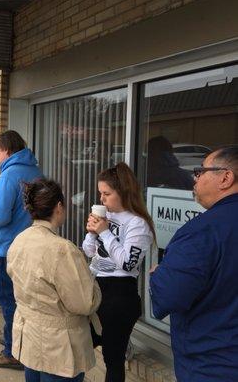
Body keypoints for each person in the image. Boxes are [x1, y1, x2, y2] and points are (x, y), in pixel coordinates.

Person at [150, 146, 238, 382]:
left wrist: (159, 274)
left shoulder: (203, 231)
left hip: (212, 365)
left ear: (226, 177)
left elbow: (170, 295)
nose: (194, 179)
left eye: (200, 172)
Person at [8, 179, 102, 382]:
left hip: (30, 339)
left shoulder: (19, 240)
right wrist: (93, 281)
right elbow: (85, 303)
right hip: (60, 349)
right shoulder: (63, 249)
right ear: (59, 206)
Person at [82, 162, 155, 382]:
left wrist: (104, 232)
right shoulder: (107, 216)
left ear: (123, 192)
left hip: (119, 292)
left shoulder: (138, 224)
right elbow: (88, 251)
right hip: (94, 286)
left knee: (112, 358)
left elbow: (128, 264)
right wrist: (92, 233)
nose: (102, 199)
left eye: (107, 193)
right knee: (77, 345)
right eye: (100, 193)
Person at [0, 130, 42, 369]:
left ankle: (12, 352)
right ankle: (14, 336)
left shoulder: (8, 176)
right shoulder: (36, 172)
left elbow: (1, 215)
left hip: (6, 250)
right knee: (23, 300)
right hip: (30, 247)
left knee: (8, 301)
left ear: (7, 150)